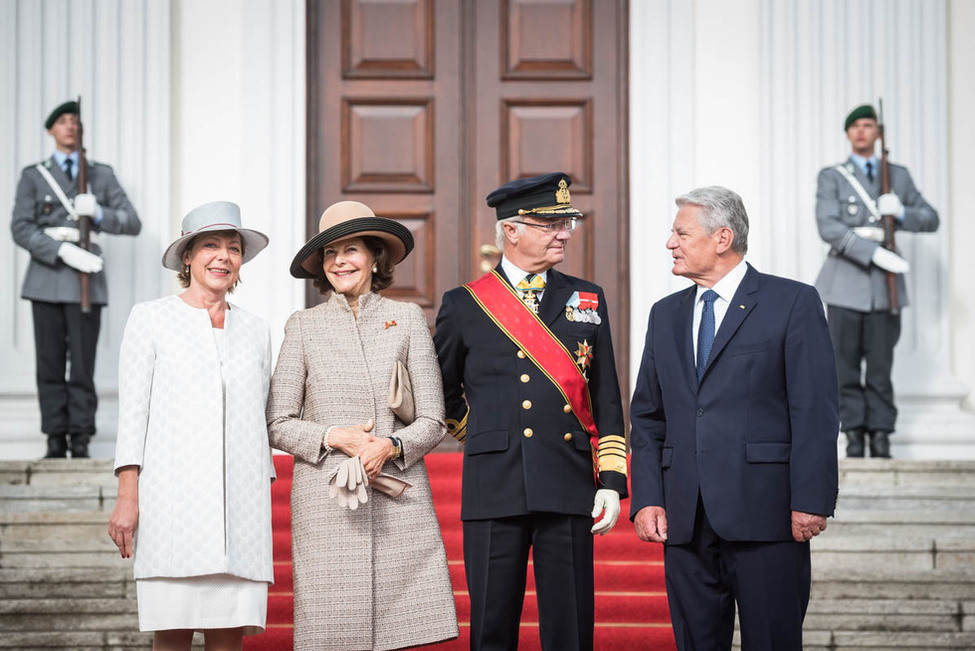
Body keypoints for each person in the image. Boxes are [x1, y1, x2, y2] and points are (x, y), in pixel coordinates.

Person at [629, 186, 839, 651]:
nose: (670, 243)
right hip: (685, 519)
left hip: (767, 513)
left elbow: (815, 412)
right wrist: (647, 497)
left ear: (722, 238)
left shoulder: (793, 303)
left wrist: (812, 499)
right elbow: (646, 415)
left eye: (681, 233)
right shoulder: (665, 314)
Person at [434, 172, 628, 650]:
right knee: (492, 626)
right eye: (549, 223)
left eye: (567, 222)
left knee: (570, 628)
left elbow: (605, 395)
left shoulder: (587, 297)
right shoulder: (464, 304)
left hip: (568, 479)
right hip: (494, 481)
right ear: (512, 229)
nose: (563, 232)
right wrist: (484, 433)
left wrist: (611, 482)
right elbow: (439, 391)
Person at [266, 200, 458, 650]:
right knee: (333, 632)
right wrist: (335, 436)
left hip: (398, 496)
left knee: (404, 631)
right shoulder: (303, 326)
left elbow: (433, 417)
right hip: (326, 500)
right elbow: (277, 422)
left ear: (375, 257)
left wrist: (388, 446)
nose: (339, 262)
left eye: (350, 250)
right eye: (330, 254)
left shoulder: (407, 318)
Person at [107, 201, 274, 649]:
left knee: (227, 637)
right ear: (187, 256)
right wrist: (128, 496)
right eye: (211, 246)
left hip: (240, 508)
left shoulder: (257, 330)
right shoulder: (151, 318)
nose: (223, 256)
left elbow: (261, 415)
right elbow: (133, 414)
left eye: (233, 248)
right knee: (173, 635)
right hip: (172, 507)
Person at [10, 100, 141, 459]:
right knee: (49, 363)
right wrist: (59, 250)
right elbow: (20, 227)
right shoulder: (34, 175)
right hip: (47, 278)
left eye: (75, 121)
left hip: (87, 282)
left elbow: (131, 222)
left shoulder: (100, 173)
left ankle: (80, 437)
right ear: (51, 130)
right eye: (63, 121)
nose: (70, 126)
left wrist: (99, 212)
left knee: (82, 364)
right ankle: (55, 438)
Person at [815, 104, 940, 458]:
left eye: (868, 125)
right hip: (846, 282)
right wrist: (873, 253)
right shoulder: (833, 176)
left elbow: (930, 218)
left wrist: (901, 213)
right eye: (854, 126)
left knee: (881, 367)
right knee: (845, 365)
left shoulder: (897, 176)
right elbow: (829, 226)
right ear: (848, 133)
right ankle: (854, 436)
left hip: (885, 289)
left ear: (878, 132)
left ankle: (881, 436)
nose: (861, 131)